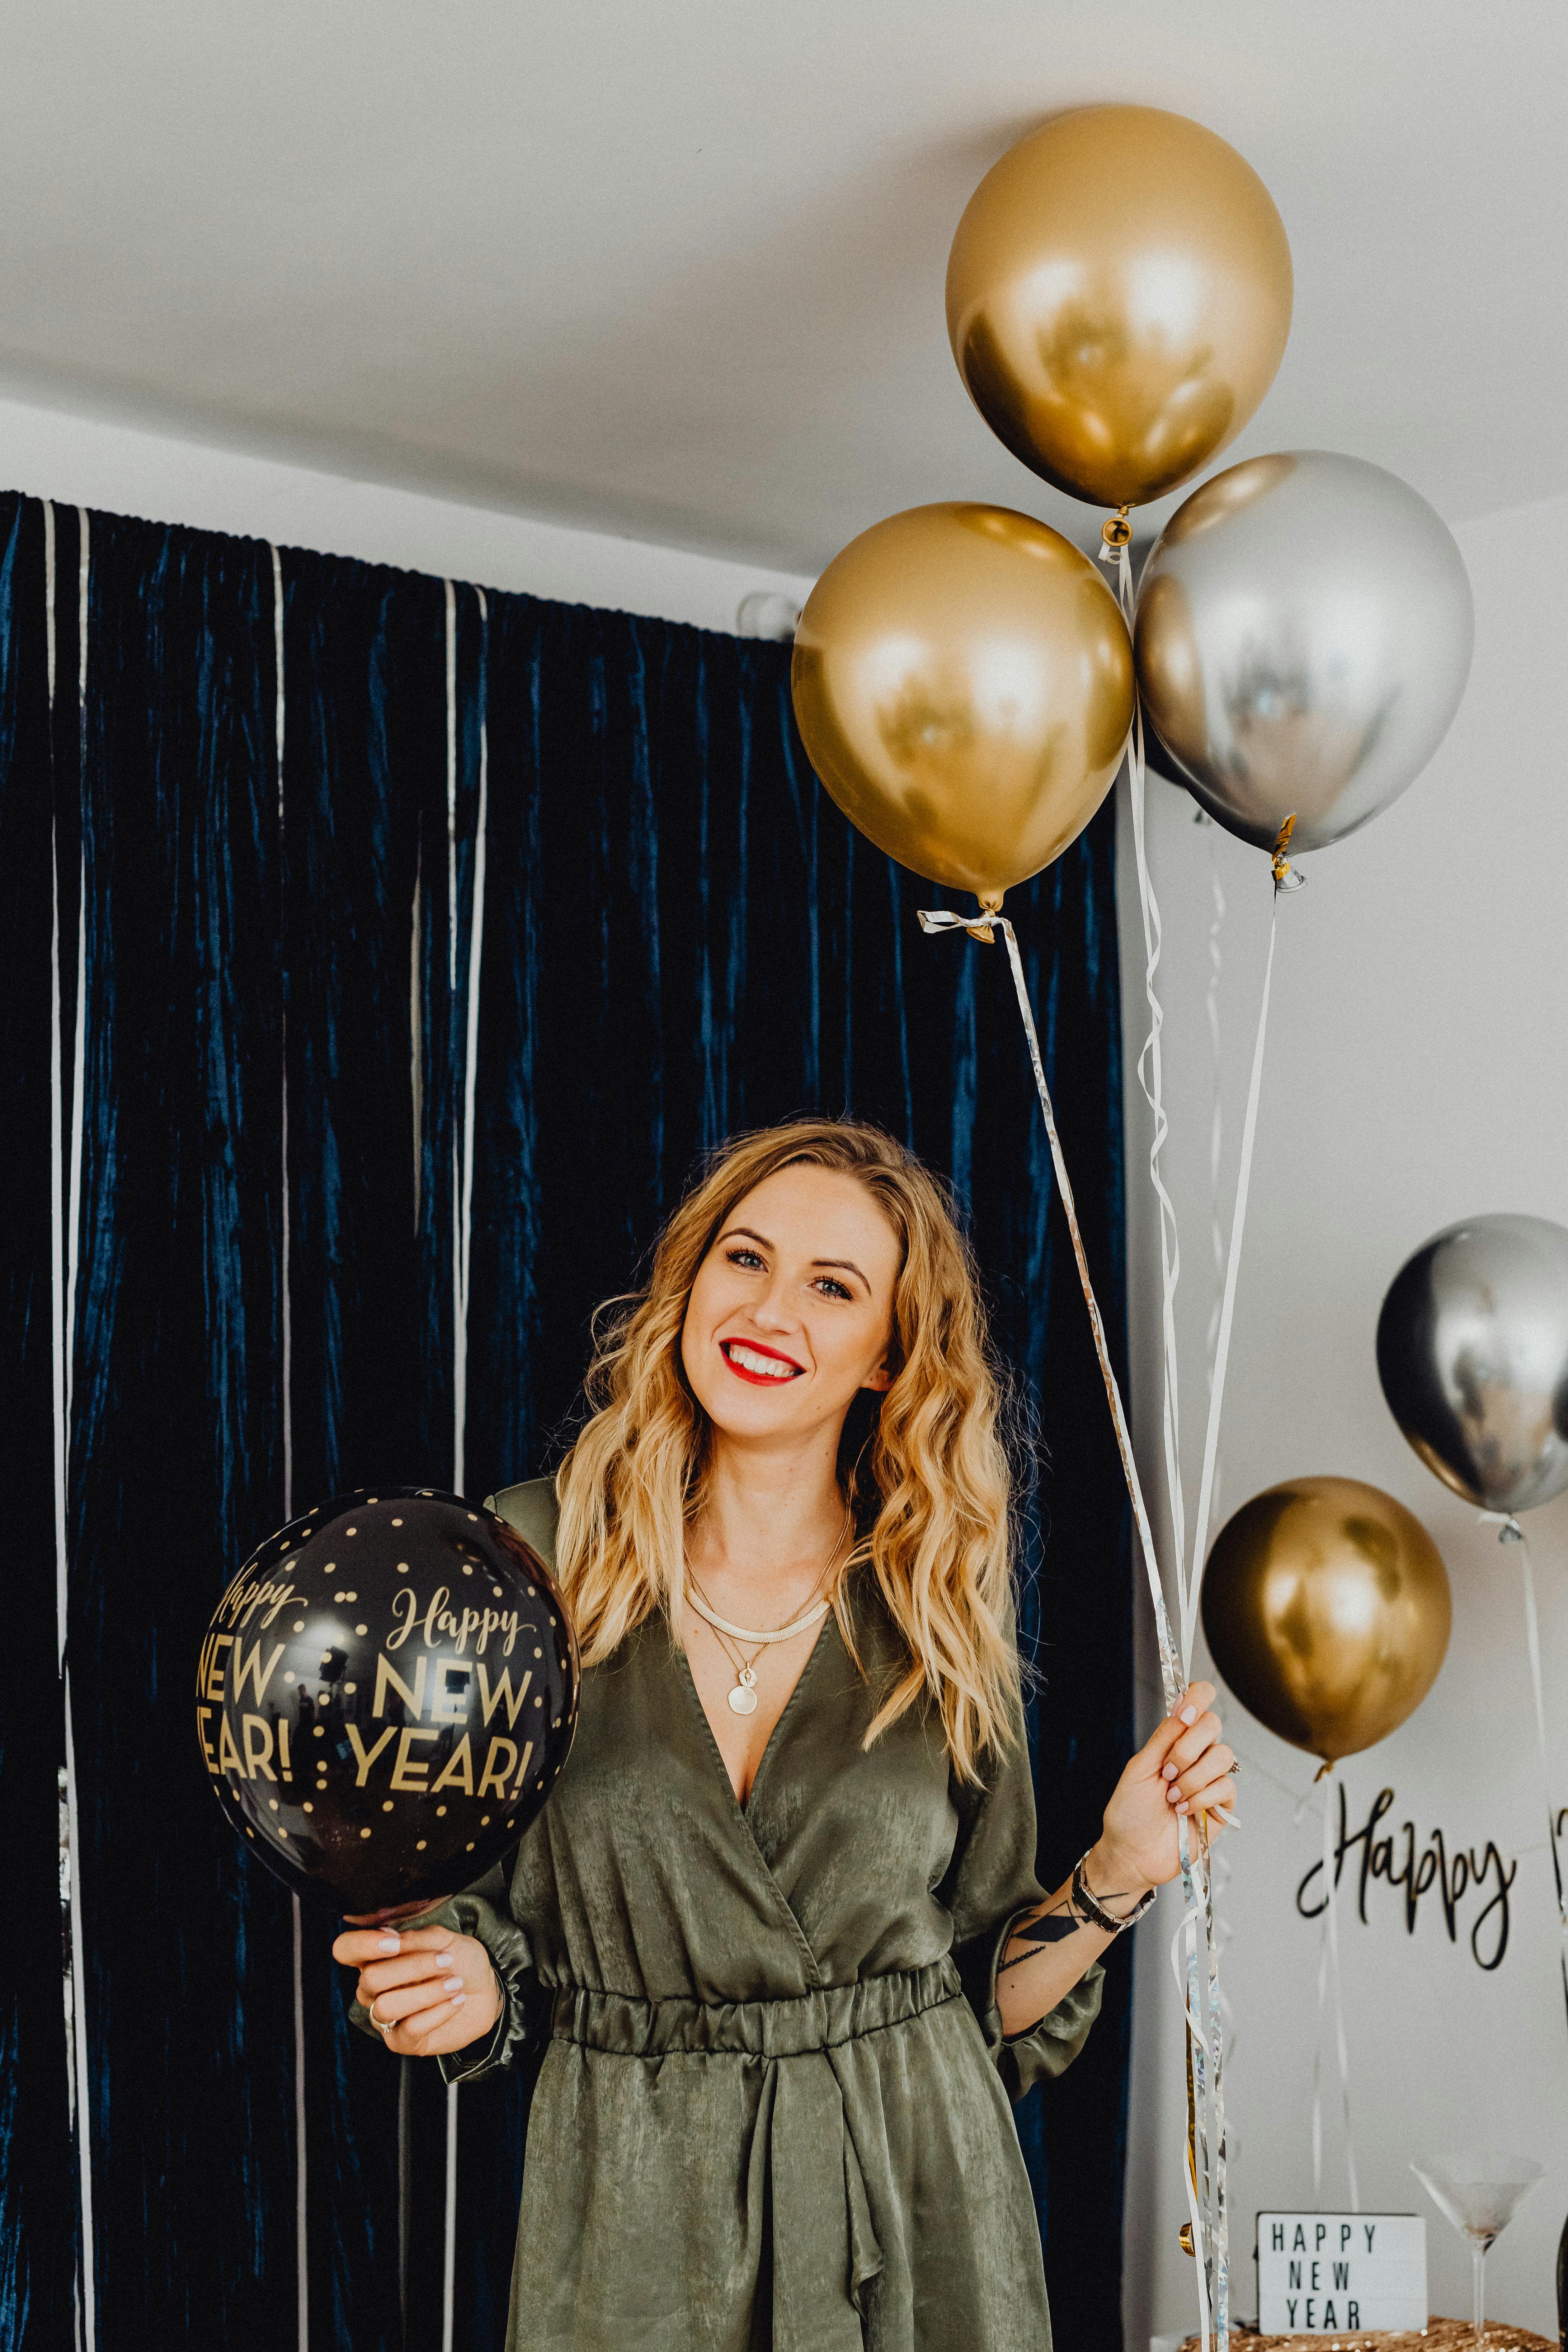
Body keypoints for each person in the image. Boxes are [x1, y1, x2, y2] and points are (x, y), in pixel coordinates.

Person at [334, 1118, 1233, 2352]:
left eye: (832, 1286)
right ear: (690, 1285)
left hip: (923, 2219)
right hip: (632, 2216)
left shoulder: (937, 1594)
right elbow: (452, 1913)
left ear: (885, 1356)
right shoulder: (529, 1554)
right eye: (744, 1259)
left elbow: (987, 2000)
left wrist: (1121, 1871)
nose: (769, 1309)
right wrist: (462, 1983)